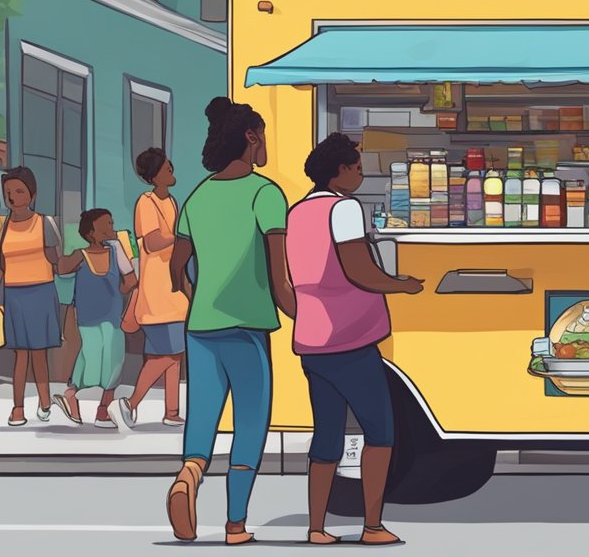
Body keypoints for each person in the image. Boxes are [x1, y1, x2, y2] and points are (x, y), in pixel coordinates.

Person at [165, 97, 295, 545]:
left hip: (201, 328)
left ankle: (189, 473)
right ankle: (235, 524)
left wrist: (199, 299)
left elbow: (176, 268)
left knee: (202, 417)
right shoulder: (266, 193)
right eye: (264, 137)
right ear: (251, 136)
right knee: (250, 424)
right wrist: (308, 316)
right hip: (247, 328)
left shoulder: (198, 196)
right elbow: (280, 281)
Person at [288, 133, 422, 545]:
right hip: (351, 339)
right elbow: (359, 270)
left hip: (312, 339)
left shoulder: (297, 213)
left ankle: (316, 527)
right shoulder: (345, 208)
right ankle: (372, 525)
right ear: (340, 171)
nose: (361, 174)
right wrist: (402, 286)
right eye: (357, 168)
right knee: (379, 432)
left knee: (326, 434)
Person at [0, 167, 63, 426]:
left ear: (32, 194)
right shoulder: (2, 227)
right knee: (20, 354)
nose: (13, 197)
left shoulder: (44, 222)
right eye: (8, 192)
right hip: (15, 295)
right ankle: (18, 408)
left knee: (39, 353)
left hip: (40, 292)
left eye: (19, 191)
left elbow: (56, 261)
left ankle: (44, 402)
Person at [118, 148, 190, 428]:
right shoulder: (146, 203)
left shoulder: (171, 201)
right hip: (157, 290)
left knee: (172, 354)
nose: (171, 169)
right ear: (154, 175)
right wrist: (182, 236)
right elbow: (152, 242)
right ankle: (130, 403)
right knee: (169, 352)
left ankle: (171, 411)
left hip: (173, 289)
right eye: (166, 167)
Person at [52, 209, 136, 428]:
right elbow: (61, 268)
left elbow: (131, 281)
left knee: (114, 361)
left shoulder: (115, 251)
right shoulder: (81, 255)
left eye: (111, 222)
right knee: (89, 359)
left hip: (112, 316)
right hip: (88, 319)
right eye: (107, 224)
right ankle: (71, 395)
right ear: (92, 233)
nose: (112, 227)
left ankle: (103, 410)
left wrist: (116, 289)